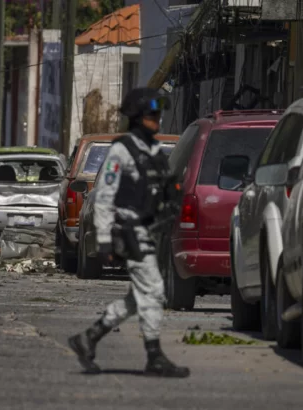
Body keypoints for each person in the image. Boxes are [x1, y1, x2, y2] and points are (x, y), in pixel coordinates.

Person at [67, 87, 189, 378]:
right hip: (130, 231)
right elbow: (105, 196)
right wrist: (106, 240)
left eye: (159, 114)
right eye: (151, 115)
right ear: (137, 118)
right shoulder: (121, 151)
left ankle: (88, 338)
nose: (157, 120)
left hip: (152, 232)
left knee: (139, 297)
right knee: (155, 291)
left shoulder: (154, 150)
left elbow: (166, 187)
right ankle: (154, 355)